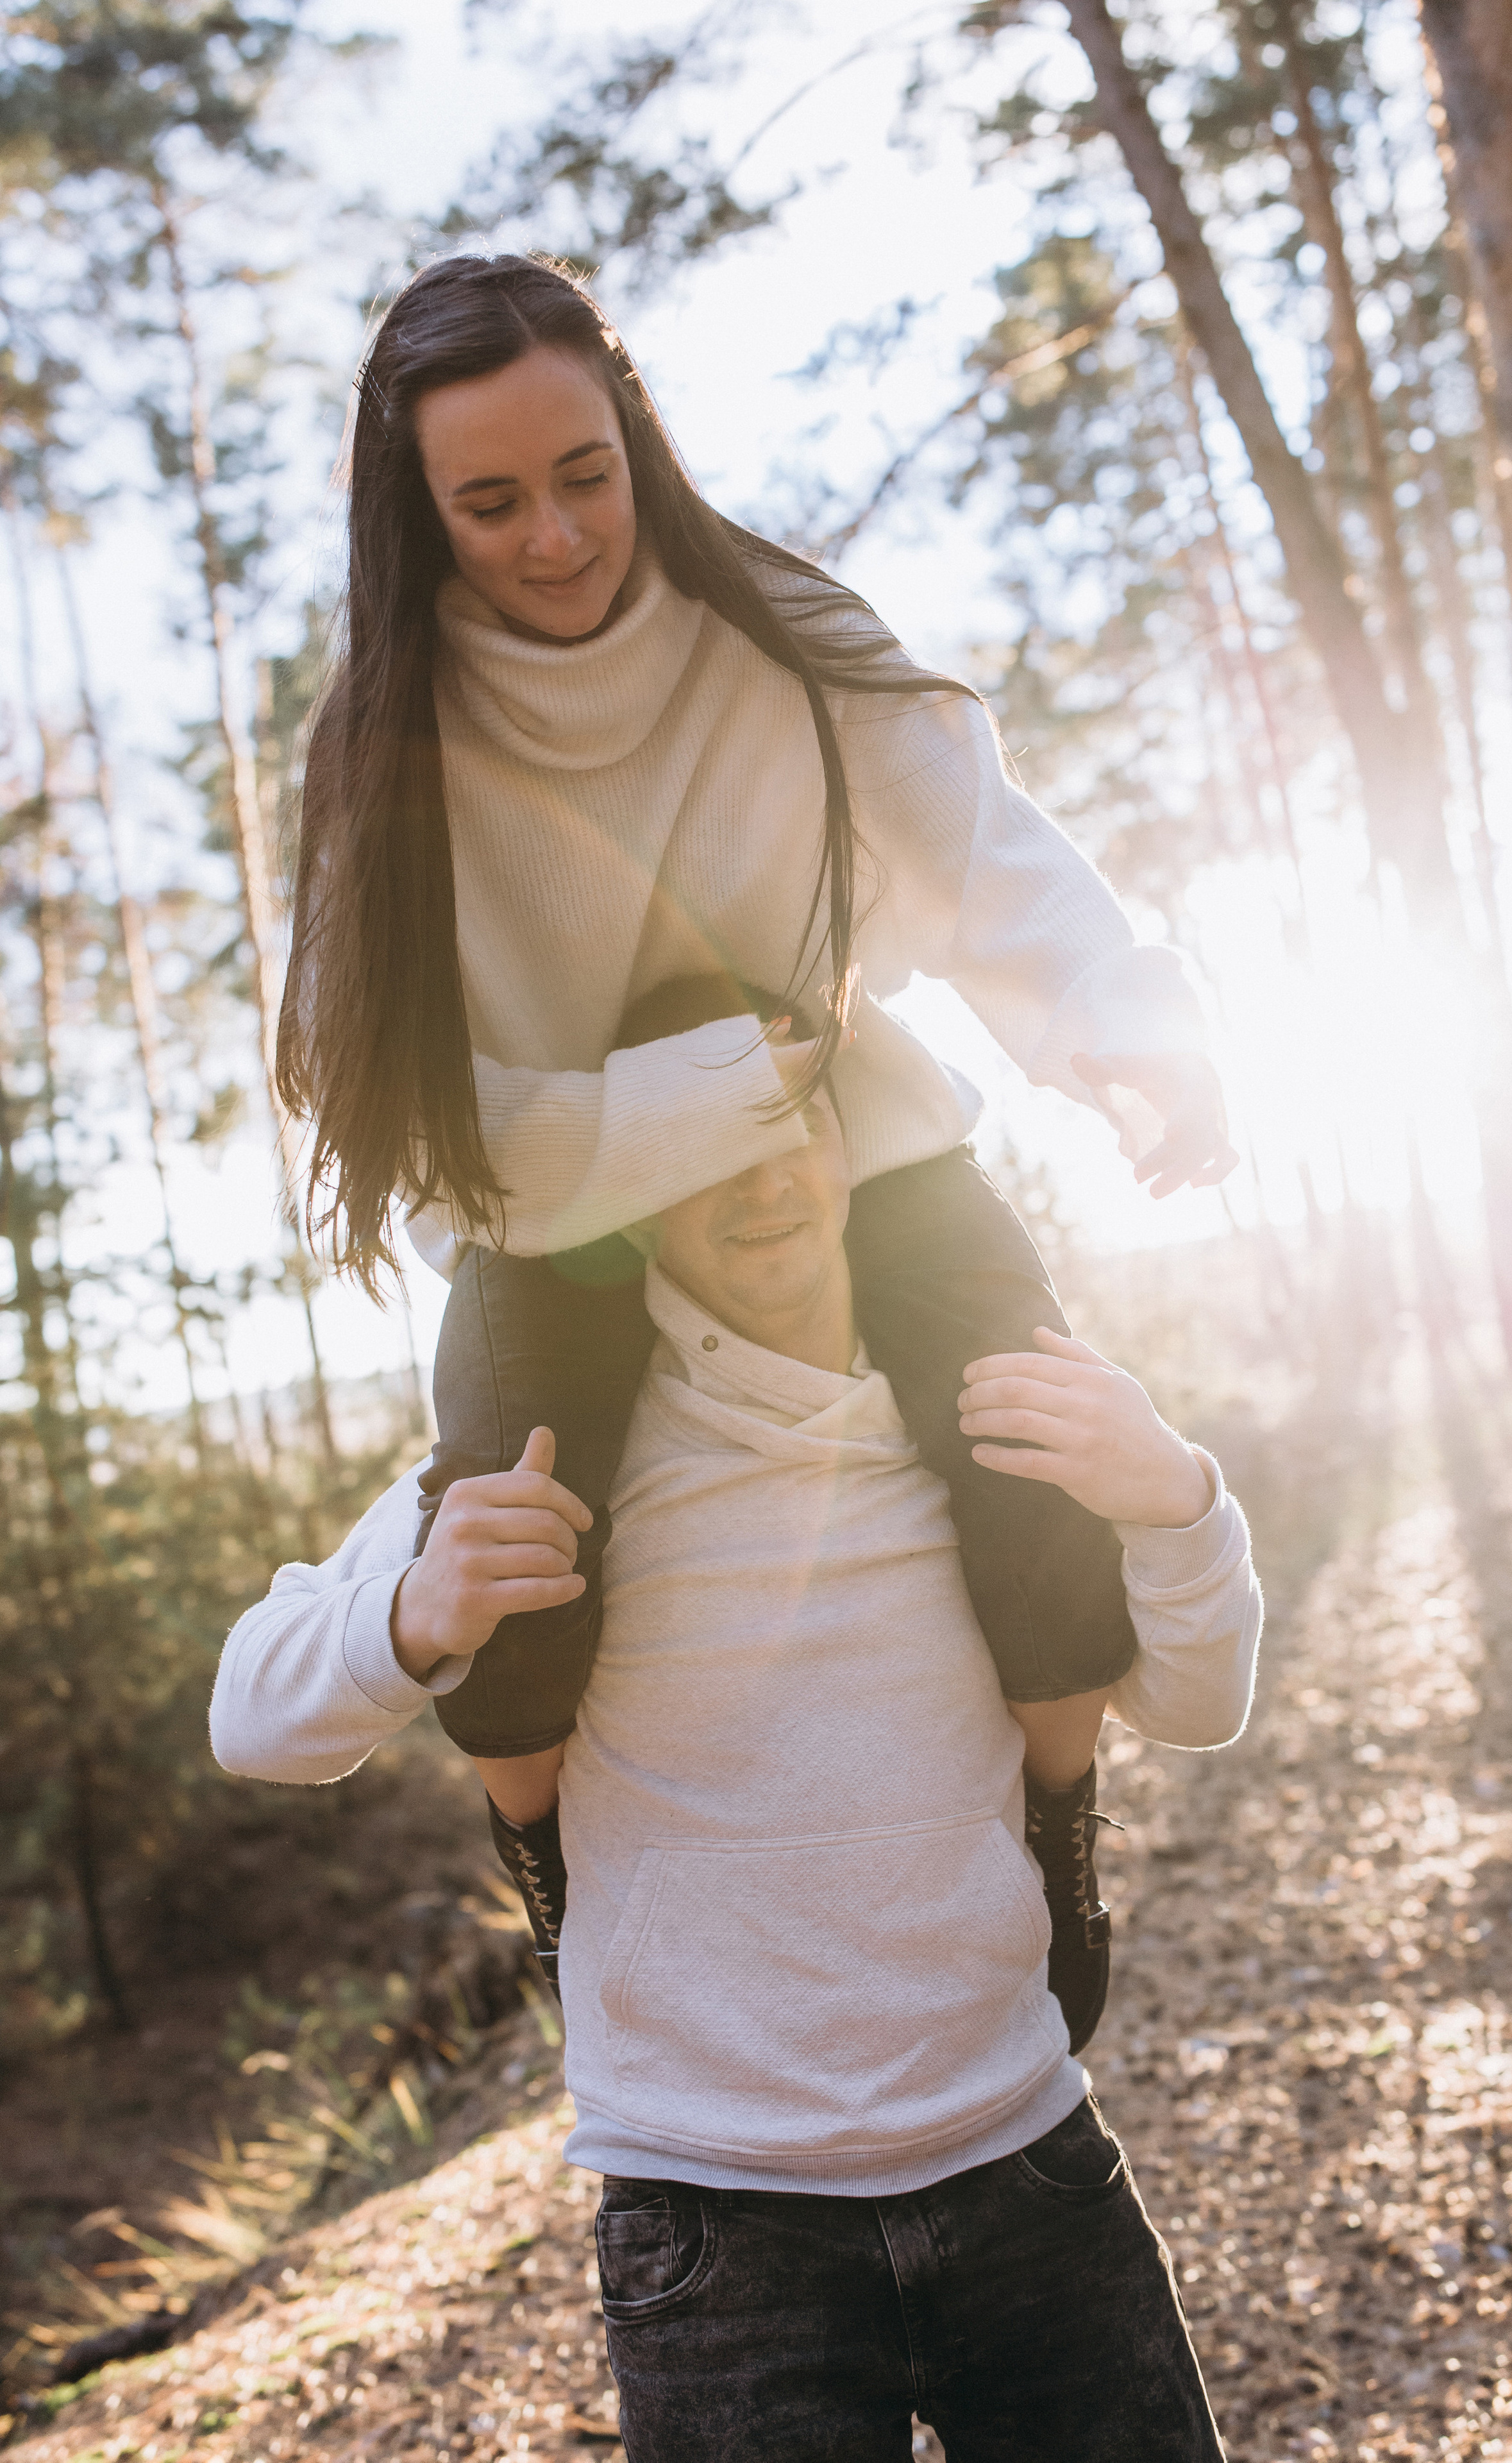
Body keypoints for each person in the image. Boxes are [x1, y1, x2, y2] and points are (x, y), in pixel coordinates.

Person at [273, 253, 1238, 1925]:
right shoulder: (386, 745)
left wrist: (1130, 1026)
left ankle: (1060, 1824)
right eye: (492, 504)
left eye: (588, 476)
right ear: (420, 514)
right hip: (556, 1207)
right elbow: (373, 1097)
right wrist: (687, 1100)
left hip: (848, 1150)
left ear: (638, 441)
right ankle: (554, 1876)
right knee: (510, 1536)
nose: (559, 538)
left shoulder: (779, 641)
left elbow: (992, 859)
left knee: (1033, 1434)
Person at [215, 971, 1261, 2463]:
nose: (762, 1181)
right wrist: (411, 1615)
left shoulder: (991, 1421)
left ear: (845, 1139)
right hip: (715, 2234)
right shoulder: (550, 1457)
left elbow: (1202, 1704)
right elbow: (247, 1716)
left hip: (1025, 2161)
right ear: (632, 1186)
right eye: (700, 1147)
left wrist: (1178, 1499)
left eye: (787, 1123)